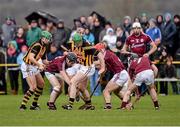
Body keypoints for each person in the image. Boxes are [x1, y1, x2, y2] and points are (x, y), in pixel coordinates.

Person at [19, 31, 52, 111]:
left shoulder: (44, 47)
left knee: (41, 84)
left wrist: (52, 63)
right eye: (48, 39)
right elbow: (30, 57)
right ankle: (22, 105)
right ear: (43, 38)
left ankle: (34, 104)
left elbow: (44, 61)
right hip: (27, 65)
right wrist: (39, 65)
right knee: (33, 87)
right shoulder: (37, 45)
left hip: (33, 65)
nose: (49, 40)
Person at [94, 42, 132, 109]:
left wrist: (99, 77)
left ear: (101, 50)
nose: (97, 53)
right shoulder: (108, 53)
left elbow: (101, 67)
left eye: (97, 51)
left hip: (120, 74)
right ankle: (128, 104)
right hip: (122, 73)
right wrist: (101, 78)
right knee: (116, 91)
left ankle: (108, 105)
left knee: (106, 91)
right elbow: (105, 69)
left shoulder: (106, 56)